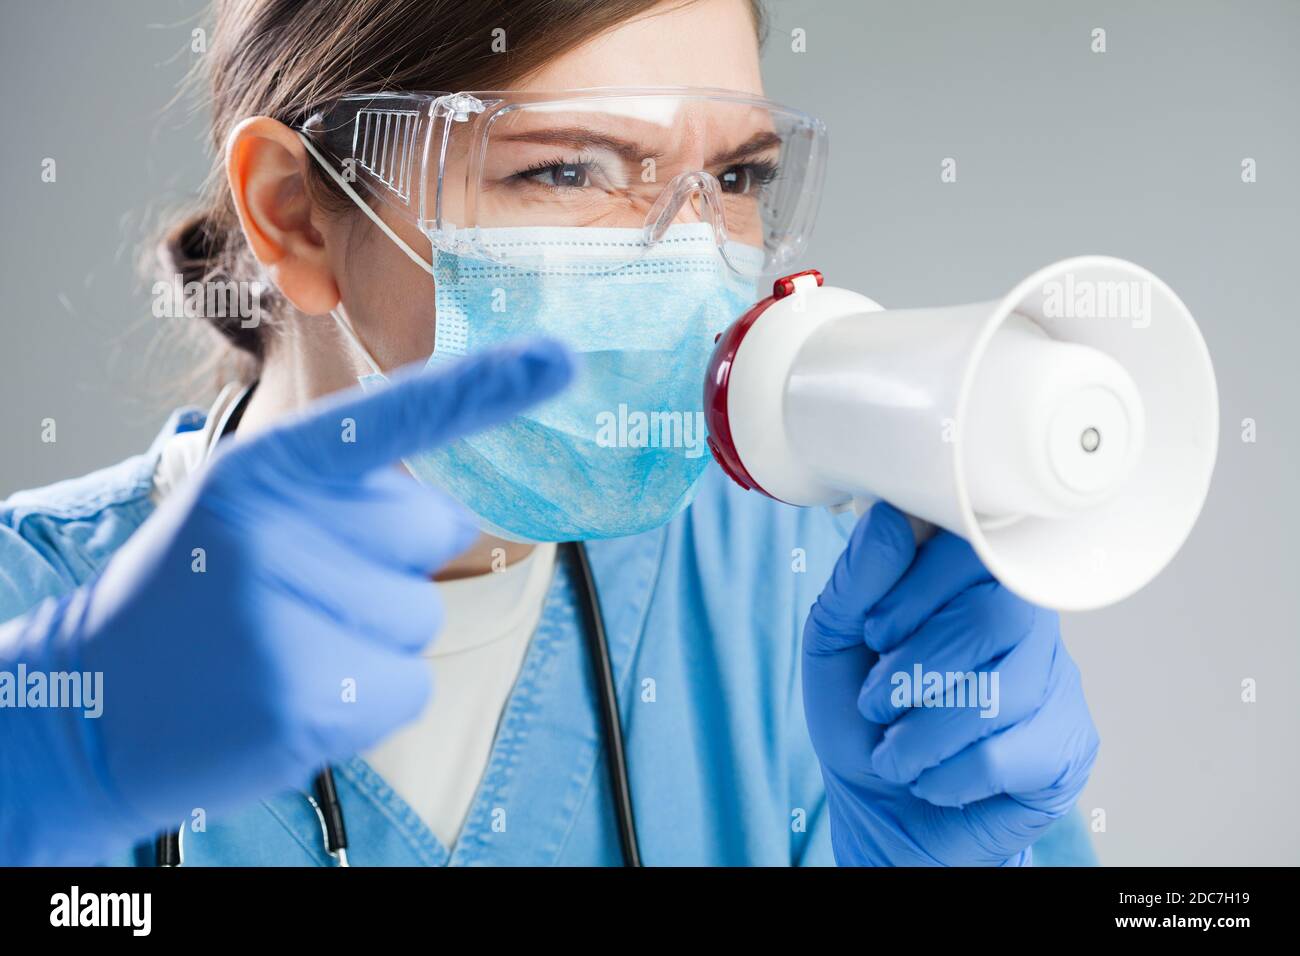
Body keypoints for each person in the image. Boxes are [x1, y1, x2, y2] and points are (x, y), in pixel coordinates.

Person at [0, 0, 1098, 867]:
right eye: (566, 169)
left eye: (736, 176)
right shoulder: (37, 623)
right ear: (293, 210)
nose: (690, 260)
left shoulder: (820, 601)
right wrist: (39, 767)